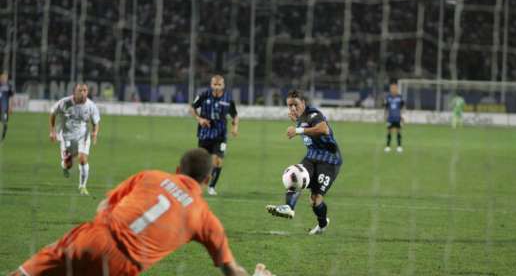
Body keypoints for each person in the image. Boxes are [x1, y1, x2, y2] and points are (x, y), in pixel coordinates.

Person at [10, 148, 274, 276]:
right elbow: (229, 270)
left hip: (92, 237)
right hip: (122, 266)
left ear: (177, 169)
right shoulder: (205, 218)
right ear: (207, 180)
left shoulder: (151, 176)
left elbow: (103, 205)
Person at [266, 90, 342, 235]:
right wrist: (298, 124)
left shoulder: (313, 114)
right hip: (312, 156)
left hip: (329, 159)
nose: (293, 108)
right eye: (289, 106)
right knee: (294, 174)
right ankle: (289, 208)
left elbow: (323, 129)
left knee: (315, 199)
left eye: (295, 105)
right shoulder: (300, 117)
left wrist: (298, 130)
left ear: (303, 103)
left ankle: (322, 224)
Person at [189, 74, 239, 196]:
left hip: (220, 135)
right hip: (204, 134)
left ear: (223, 85)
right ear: (211, 85)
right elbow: (192, 107)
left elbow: (235, 115)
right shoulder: (204, 95)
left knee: (217, 161)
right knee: (202, 162)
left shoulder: (228, 100)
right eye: (214, 84)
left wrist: (235, 127)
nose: (216, 87)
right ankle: (196, 184)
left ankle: (211, 187)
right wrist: (199, 119)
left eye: (219, 85)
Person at [49, 83, 101, 195]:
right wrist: (52, 131)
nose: (83, 93)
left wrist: (95, 133)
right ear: (74, 92)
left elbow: (96, 121)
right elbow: (53, 113)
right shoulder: (64, 103)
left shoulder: (91, 105)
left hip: (83, 136)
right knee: (68, 164)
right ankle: (64, 165)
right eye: (80, 91)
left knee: (82, 159)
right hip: (66, 137)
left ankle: (82, 187)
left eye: (85, 90)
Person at [384, 83, 405, 153]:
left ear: (397, 89)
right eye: (392, 88)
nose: (393, 89)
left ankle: (399, 146)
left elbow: (402, 107)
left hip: (398, 117)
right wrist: (386, 116)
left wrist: (402, 116)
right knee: (389, 131)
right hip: (390, 117)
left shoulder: (400, 97)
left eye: (394, 88)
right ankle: (388, 146)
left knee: (398, 131)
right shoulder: (388, 97)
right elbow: (386, 108)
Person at [0, 72, 14, 141]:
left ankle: (3, 137)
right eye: (3, 77)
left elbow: (11, 97)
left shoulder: (9, 86)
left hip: (5, 108)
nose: (4, 79)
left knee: (4, 122)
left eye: (5, 77)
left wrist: (11, 107)